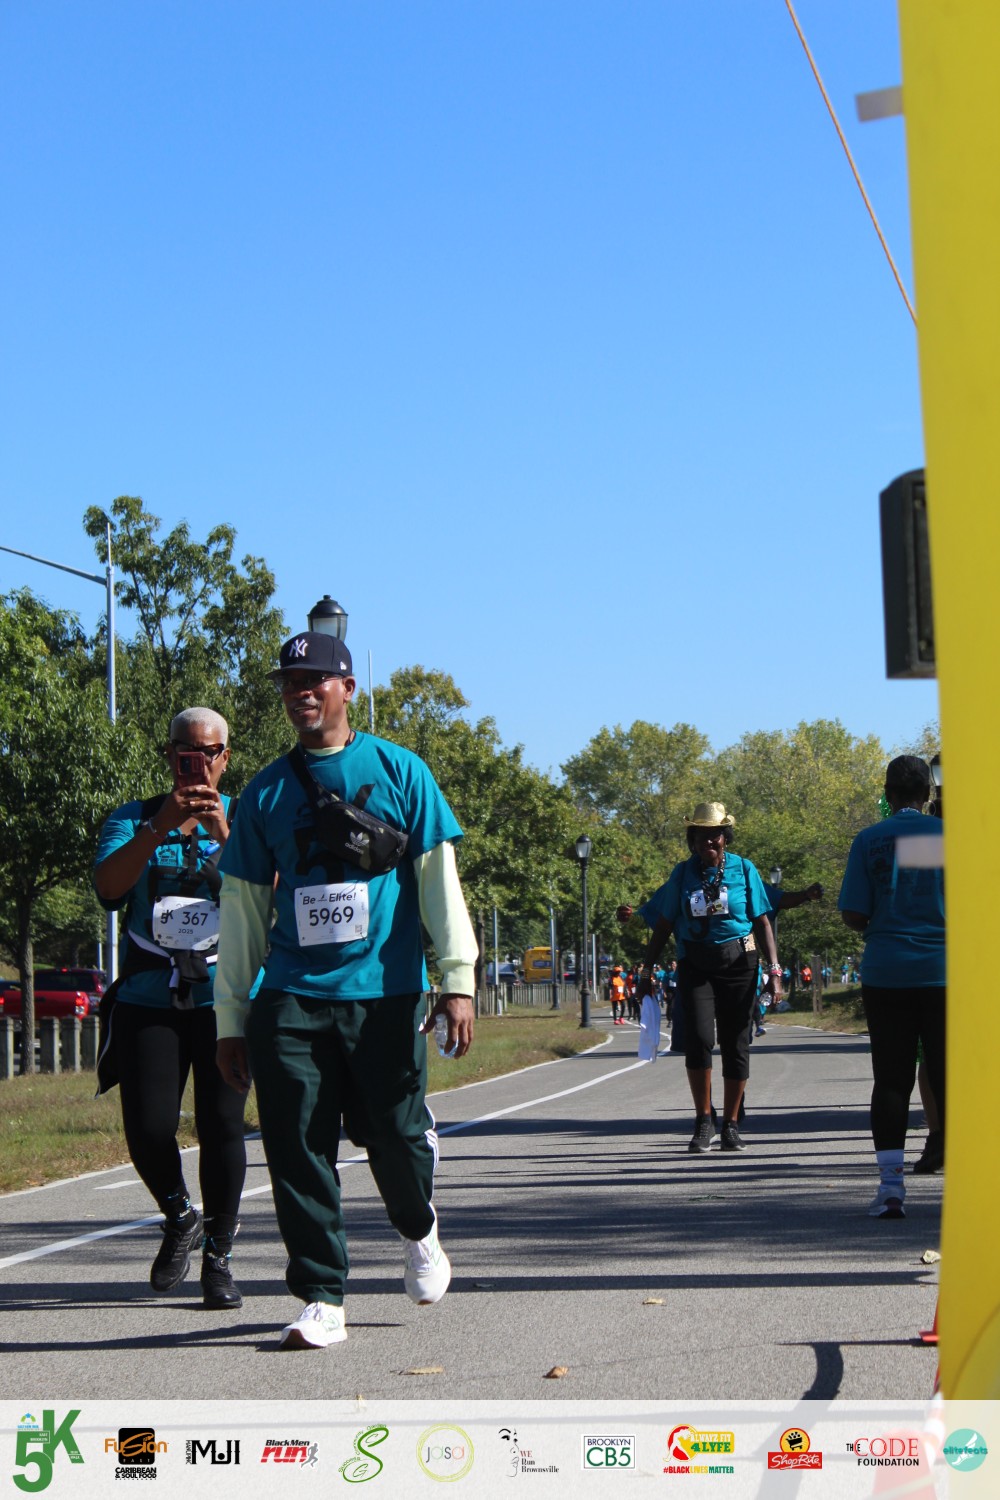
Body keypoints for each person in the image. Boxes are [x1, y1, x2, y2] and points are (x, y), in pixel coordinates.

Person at [212, 631, 478, 1350]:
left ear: (347, 689)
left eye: (314, 680)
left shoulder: (400, 770)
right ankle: (322, 1295)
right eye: (289, 683)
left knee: (393, 1134)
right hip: (290, 993)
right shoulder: (266, 791)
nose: (300, 692)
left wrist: (457, 980)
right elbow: (242, 911)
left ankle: (419, 1229)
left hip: (384, 991)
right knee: (297, 1144)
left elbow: (438, 885)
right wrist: (230, 1018)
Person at [93, 708, 246, 1309]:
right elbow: (109, 889)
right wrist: (160, 826)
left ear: (225, 757)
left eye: (208, 752)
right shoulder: (132, 818)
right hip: (148, 996)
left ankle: (219, 1258)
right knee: (150, 1128)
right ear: (169, 753)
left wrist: (224, 832)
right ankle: (181, 1216)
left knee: (222, 1126)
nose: (197, 761)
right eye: (186, 750)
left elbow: (273, 896)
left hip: (222, 998)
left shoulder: (247, 817)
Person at [619, 803, 781, 1152]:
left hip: (740, 964)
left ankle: (732, 1124)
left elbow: (763, 922)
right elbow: (663, 925)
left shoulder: (744, 869)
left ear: (725, 838)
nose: (709, 841)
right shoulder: (683, 874)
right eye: (701, 836)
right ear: (692, 841)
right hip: (695, 965)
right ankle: (704, 1120)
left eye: (715, 835)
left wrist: (774, 972)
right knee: (699, 1039)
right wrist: (645, 973)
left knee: (736, 1043)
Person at [838, 755, 945, 1218]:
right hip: (945, 971)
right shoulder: (949, 838)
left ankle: (890, 1188)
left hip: (887, 972)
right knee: (950, 1073)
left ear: (887, 792)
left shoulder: (870, 840)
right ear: (928, 792)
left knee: (892, 1079)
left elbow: (854, 913)